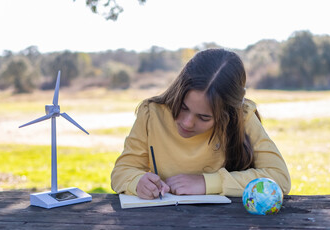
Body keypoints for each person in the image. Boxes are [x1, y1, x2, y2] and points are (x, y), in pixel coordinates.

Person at [111, 48, 291, 200]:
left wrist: (206, 183)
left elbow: (279, 178)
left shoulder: (243, 116)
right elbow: (122, 171)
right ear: (178, 90)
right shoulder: (151, 113)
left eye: (204, 117)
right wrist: (137, 182)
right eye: (182, 107)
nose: (188, 123)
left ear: (227, 113)